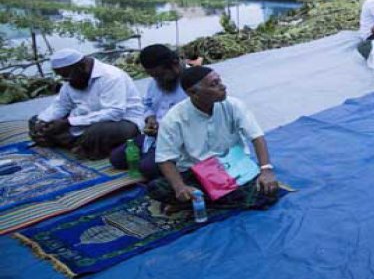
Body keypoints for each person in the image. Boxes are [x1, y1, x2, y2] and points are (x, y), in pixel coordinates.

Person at [148, 66, 279, 211]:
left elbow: (256, 136)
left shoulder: (233, 105)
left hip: (233, 168)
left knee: (268, 192)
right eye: (214, 84)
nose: (223, 86)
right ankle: (211, 199)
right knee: (156, 188)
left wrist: (266, 169)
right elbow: (164, 158)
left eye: (219, 81)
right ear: (193, 93)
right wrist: (180, 187)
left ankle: (202, 202)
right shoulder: (174, 119)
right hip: (196, 172)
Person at [29, 49, 144, 160]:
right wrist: (43, 121)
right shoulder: (72, 80)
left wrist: (69, 122)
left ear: (81, 66)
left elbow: (115, 113)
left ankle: (75, 143)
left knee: (96, 132)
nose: (66, 80)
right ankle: (80, 144)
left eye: (67, 76)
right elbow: (61, 105)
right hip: (83, 121)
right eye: (62, 77)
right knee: (34, 121)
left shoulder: (111, 76)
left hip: (123, 121)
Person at [109, 45, 187, 179]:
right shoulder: (156, 82)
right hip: (153, 137)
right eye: (153, 76)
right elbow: (147, 104)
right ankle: (153, 157)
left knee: (147, 168)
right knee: (116, 158)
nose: (157, 79)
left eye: (160, 75)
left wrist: (164, 130)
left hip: (179, 141)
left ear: (174, 64)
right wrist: (150, 118)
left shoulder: (193, 82)